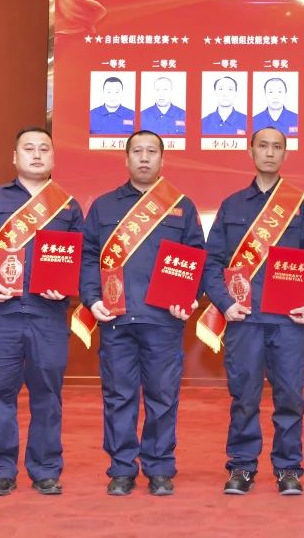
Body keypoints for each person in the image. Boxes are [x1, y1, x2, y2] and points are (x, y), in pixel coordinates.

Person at [79, 130, 205, 497]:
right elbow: (88, 257)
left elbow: (197, 259)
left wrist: (189, 297)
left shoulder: (181, 206)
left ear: (163, 159)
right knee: (119, 397)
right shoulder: (103, 207)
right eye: (138, 151)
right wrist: (91, 298)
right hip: (116, 318)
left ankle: (159, 467)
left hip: (163, 320)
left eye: (152, 151)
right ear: (126, 158)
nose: (145, 158)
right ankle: (121, 469)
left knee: (162, 398)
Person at [0, 126, 84, 497]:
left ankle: (45, 470)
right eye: (28, 148)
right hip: (3, 314)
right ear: (15, 157)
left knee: (48, 396)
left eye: (44, 148)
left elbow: (82, 257)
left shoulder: (67, 206)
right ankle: (1, 471)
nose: (37, 154)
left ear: (53, 157)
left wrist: (67, 285)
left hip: (49, 315)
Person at [203, 127, 304, 496]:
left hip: (288, 322)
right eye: (263, 146)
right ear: (251, 151)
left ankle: (288, 468)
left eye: (277, 147)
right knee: (244, 397)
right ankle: (242, 465)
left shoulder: (301, 204)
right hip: (244, 320)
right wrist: (225, 304)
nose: (270, 153)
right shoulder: (232, 205)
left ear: (285, 154)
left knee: (290, 397)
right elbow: (212, 263)